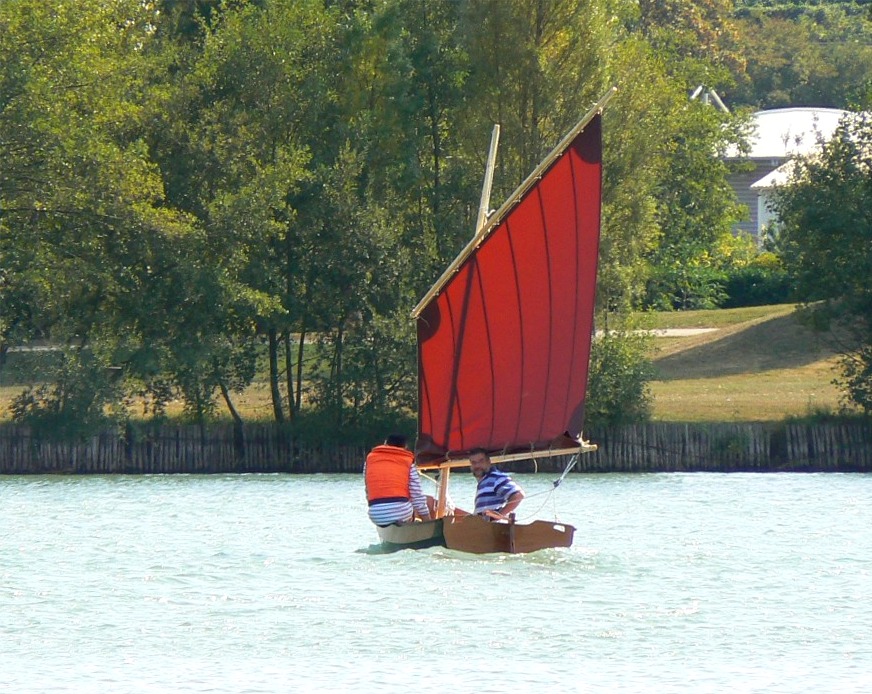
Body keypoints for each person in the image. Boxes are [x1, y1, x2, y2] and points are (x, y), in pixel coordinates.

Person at [364, 433, 433, 526]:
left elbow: (368, 490)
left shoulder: (370, 460)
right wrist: (428, 522)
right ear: (405, 447)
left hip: (376, 514)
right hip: (402, 513)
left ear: (385, 444)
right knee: (427, 500)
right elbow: (417, 496)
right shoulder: (408, 462)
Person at [469, 447, 525, 520]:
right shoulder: (484, 482)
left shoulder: (496, 478)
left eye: (481, 461)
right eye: (474, 462)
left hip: (494, 529)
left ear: (488, 462)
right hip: (483, 528)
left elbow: (518, 495)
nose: (477, 466)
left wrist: (499, 516)